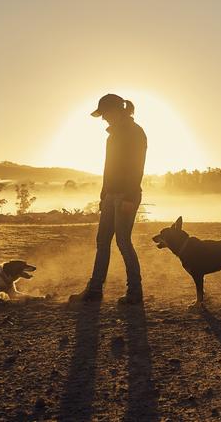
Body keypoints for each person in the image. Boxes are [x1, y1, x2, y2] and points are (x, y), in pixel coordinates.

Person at [69, 93, 147, 305]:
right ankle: (95, 290)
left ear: (117, 111)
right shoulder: (112, 136)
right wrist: (104, 196)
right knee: (103, 242)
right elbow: (108, 168)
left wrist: (130, 197)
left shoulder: (135, 133)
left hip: (126, 195)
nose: (103, 118)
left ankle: (135, 292)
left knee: (123, 241)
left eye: (105, 114)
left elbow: (136, 167)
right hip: (112, 195)